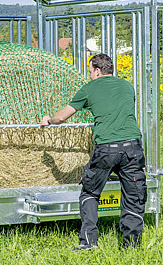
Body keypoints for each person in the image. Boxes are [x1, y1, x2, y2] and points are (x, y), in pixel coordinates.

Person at [40, 53, 146, 251]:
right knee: (134, 196)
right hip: (133, 147)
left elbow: (62, 117)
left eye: (90, 72)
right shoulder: (127, 86)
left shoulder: (89, 88)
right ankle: (132, 247)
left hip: (106, 148)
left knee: (90, 192)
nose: (90, 75)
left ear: (97, 71)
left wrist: (48, 120)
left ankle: (88, 243)